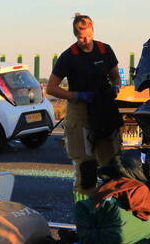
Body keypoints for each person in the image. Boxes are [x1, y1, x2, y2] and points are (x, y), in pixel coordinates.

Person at [46, 14, 123, 197]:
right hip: (80, 109)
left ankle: (110, 204)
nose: (86, 41)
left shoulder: (105, 50)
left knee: (111, 162)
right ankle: (85, 207)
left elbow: (115, 77)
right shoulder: (69, 56)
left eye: (88, 36)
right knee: (85, 166)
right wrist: (76, 95)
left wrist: (116, 87)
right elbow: (51, 87)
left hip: (103, 107)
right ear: (75, 35)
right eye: (81, 38)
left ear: (93, 30)